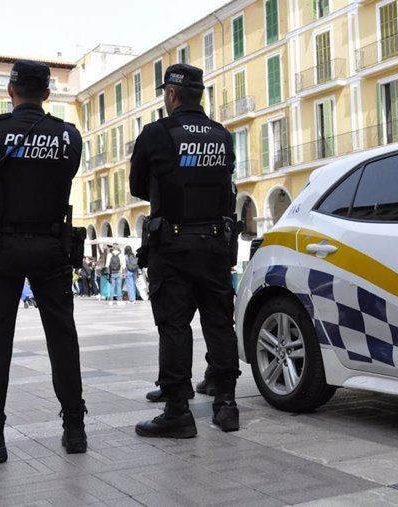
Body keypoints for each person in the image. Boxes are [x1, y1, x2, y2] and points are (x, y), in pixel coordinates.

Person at [0, 60, 87, 464]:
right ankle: (75, 429)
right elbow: (66, 175)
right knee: (62, 339)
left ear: (11, 90)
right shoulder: (68, 136)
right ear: (48, 94)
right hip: (52, 248)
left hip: (1, 248)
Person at [130, 63, 240, 438]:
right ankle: (226, 404)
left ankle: (177, 409)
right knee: (219, 323)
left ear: (172, 95)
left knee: (174, 327)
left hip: (173, 245)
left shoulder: (156, 134)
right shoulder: (222, 136)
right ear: (200, 94)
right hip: (214, 243)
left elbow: (138, 187)